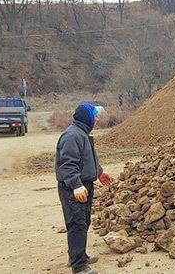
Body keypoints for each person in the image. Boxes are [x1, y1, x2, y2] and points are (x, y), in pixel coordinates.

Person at [55, 103, 113, 274]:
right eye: (93, 115)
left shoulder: (82, 134)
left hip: (84, 184)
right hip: (73, 188)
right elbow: (67, 164)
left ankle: (79, 255)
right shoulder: (72, 136)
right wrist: (76, 185)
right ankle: (79, 266)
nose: (96, 119)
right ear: (85, 117)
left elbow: (86, 159)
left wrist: (99, 172)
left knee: (84, 221)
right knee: (77, 223)